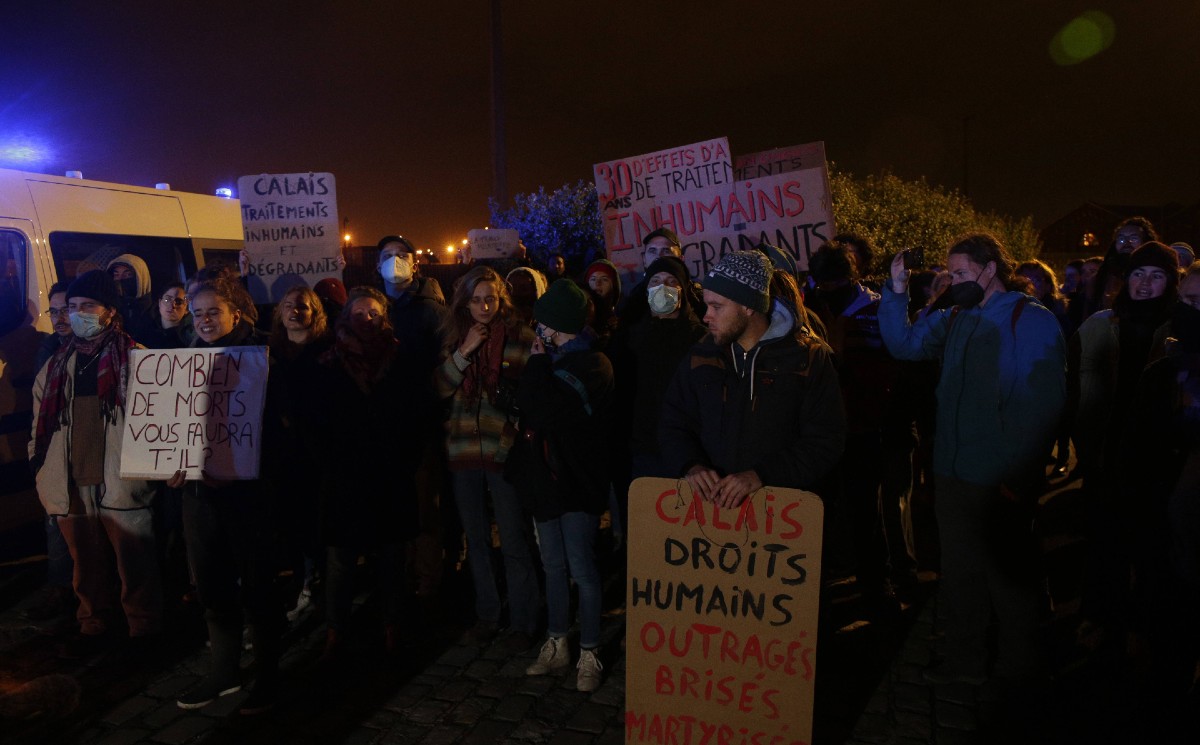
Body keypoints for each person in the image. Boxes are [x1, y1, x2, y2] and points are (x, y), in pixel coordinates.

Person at [879, 233, 1065, 686]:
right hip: (953, 471)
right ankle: (964, 665)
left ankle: (1017, 671)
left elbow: (1042, 407)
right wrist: (897, 289)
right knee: (960, 575)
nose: (953, 280)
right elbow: (903, 345)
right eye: (951, 272)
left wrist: (1019, 478)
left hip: (998, 476)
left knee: (1007, 578)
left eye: (961, 273)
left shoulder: (1030, 319)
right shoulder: (958, 316)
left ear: (990, 268)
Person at [29, 270, 163, 658]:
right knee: (83, 562)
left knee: (134, 559)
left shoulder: (138, 359)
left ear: (109, 311)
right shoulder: (56, 365)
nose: (77, 314)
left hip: (122, 476)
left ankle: (143, 627)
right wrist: (40, 467)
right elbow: (39, 423)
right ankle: (93, 621)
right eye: (73, 307)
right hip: (71, 476)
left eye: (88, 306)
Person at [172, 277, 284, 714]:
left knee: (258, 584)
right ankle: (224, 672)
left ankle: (269, 672)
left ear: (236, 313)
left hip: (250, 493)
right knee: (211, 582)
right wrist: (170, 465)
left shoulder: (264, 356)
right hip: (199, 495)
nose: (203, 321)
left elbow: (277, 428)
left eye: (212, 311)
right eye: (196, 313)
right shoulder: (183, 361)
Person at [659, 250, 846, 508]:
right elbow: (672, 423)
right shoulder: (700, 356)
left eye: (717, 306)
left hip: (781, 516)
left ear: (748, 306)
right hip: (710, 514)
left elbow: (826, 440)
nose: (706, 316)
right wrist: (691, 465)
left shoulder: (809, 359)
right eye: (707, 305)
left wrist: (762, 475)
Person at [1069, 242, 1179, 650]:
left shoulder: (1180, 327)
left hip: (1156, 455)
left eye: (1156, 275)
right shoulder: (1100, 324)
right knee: (1103, 541)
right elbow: (1073, 384)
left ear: (1170, 282)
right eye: (1137, 274)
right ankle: (1099, 616)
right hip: (1105, 450)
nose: (1144, 283)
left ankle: (1144, 623)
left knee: (1151, 546)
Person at [509, 279, 613, 692]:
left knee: (582, 568)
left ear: (558, 325)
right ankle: (557, 642)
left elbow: (541, 408)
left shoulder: (592, 364)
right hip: (546, 480)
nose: (539, 331)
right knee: (553, 564)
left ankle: (589, 649)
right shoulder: (556, 358)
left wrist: (534, 365)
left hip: (576, 481)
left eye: (544, 324)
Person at [434, 267, 539, 649]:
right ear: (465, 301)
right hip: (463, 450)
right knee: (476, 539)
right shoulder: (453, 338)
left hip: (503, 450)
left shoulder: (520, 338)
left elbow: (530, 395)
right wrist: (464, 353)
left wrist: (511, 436)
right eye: (476, 299)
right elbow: (440, 389)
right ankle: (488, 614)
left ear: (501, 299)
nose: (484, 306)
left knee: (513, 537)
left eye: (490, 299)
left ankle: (525, 619)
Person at [809, 241, 913, 608]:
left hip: (862, 429)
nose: (829, 291)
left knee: (865, 511)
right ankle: (812, 591)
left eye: (836, 284)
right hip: (819, 432)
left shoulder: (875, 309)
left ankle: (876, 585)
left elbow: (893, 364)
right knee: (817, 513)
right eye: (823, 285)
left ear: (851, 277)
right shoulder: (805, 307)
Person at [606, 255, 706, 539]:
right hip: (641, 448)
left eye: (672, 282)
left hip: (688, 451)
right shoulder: (629, 337)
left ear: (684, 290)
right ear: (646, 288)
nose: (664, 287)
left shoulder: (699, 338)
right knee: (647, 533)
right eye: (656, 281)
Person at [23, 281, 77, 622]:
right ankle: (62, 594)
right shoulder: (49, 352)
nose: (58, 318)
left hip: (88, 460)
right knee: (56, 529)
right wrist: (36, 458)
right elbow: (39, 410)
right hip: (54, 458)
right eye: (53, 311)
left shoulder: (111, 352)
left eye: (65, 310)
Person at [107, 254, 157, 345]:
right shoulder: (107, 311)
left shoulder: (157, 311)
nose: (121, 279)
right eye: (116, 274)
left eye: (128, 274)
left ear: (141, 277)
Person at [140, 282, 191, 349]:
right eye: (167, 299)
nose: (172, 305)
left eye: (178, 302)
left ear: (186, 309)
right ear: (160, 302)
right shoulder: (144, 331)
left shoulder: (189, 338)